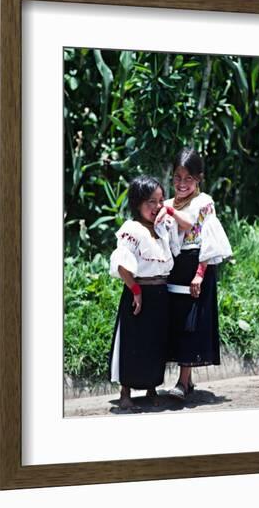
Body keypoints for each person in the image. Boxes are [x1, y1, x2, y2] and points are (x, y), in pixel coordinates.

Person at [109, 175, 186, 410]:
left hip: (160, 293)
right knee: (134, 341)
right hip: (138, 293)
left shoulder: (161, 230)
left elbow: (183, 237)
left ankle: (152, 388)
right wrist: (135, 290)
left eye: (160, 201)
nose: (157, 207)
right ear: (138, 202)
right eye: (151, 202)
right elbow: (122, 265)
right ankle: (125, 393)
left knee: (155, 343)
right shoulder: (131, 229)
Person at [161, 147, 233, 400]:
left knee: (191, 325)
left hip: (196, 266)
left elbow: (208, 242)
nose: (182, 184)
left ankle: (182, 382)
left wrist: (200, 274)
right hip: (175, 268)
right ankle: (186, 382)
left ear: (198, 179)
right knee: (178, 323)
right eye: (178, 178)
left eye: (188, 179)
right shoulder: (167, 204)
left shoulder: (204, 203)